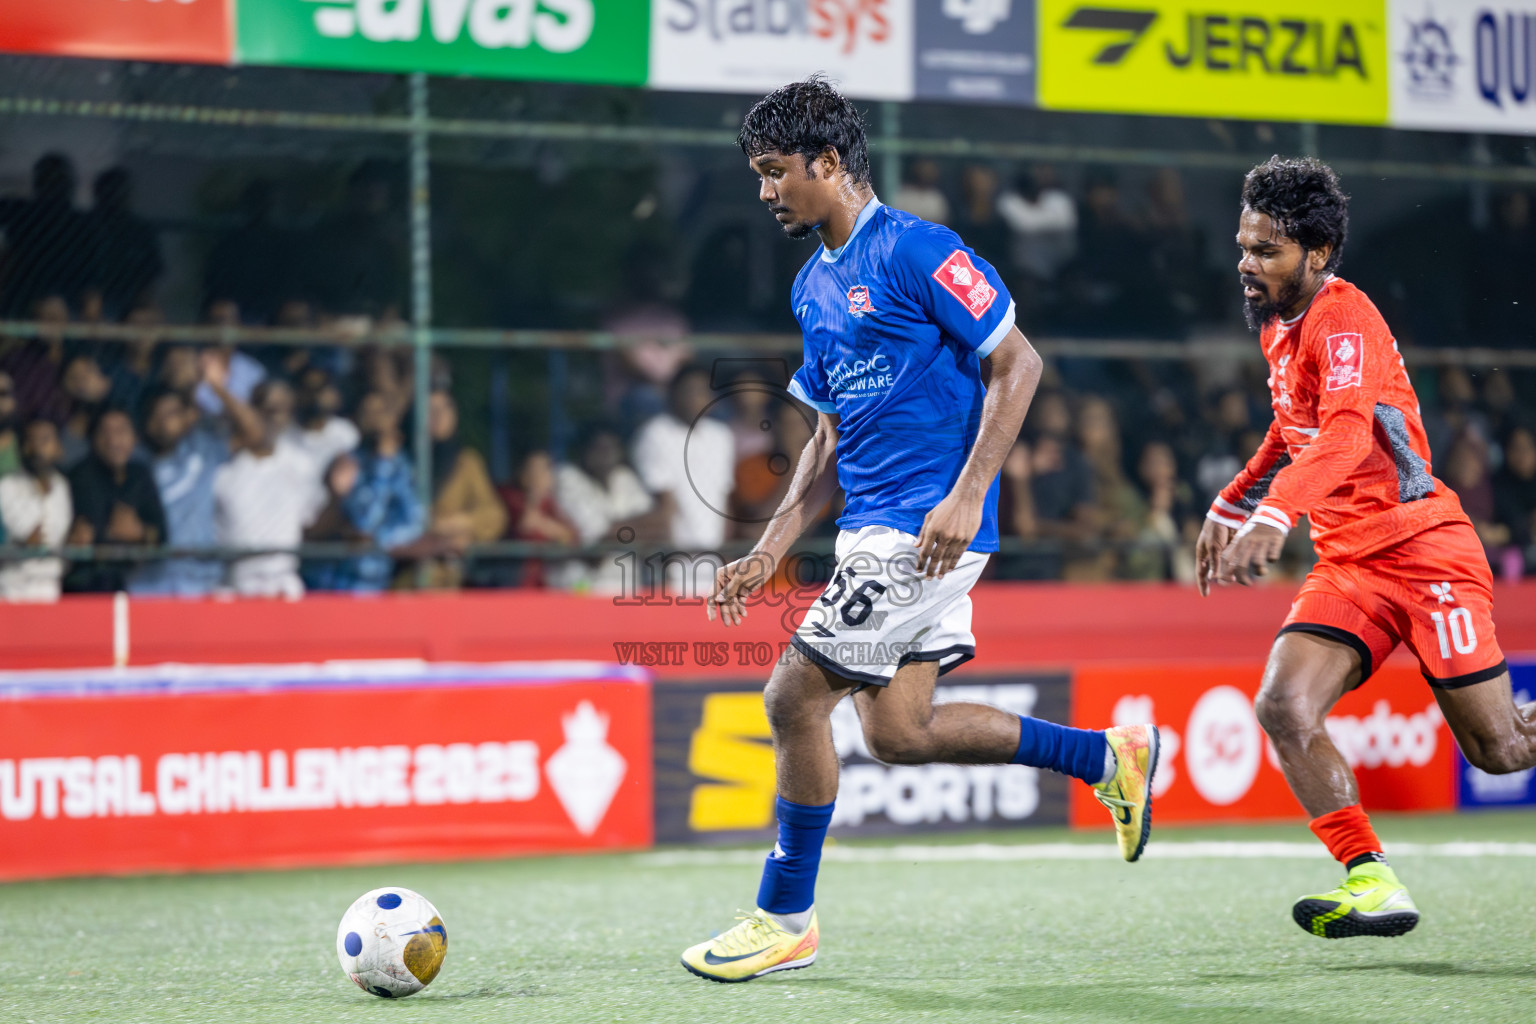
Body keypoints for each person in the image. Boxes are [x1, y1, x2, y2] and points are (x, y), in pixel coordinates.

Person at [679, 78, 1158, 984]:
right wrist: (768, 548)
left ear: (828, 163)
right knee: (900, 732)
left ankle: (785, 916)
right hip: (873, 528)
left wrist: (971, 493)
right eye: (757, 175)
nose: (765, 191)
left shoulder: (920, 250)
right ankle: (1109, 758)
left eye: (775, 172)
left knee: (790, 697)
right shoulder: (812, 285)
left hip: (925, 528)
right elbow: (826, 435)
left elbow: (1020, 363)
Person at [1196, 156, 1530, 941]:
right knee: (1282, 705)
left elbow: (1346, 431)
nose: (1247, 264)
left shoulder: (1343, 318)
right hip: (1351, 564)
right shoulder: (1281, 324)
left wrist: (1274, 517)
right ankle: (1370, 880)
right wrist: (1233, 497)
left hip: (1424, 551)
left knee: (1501, 750)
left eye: (1266, 251)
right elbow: (1294, 427)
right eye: (1243, 246)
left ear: (1316, 254)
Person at [302, 390, 423, 591]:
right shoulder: (345, 462)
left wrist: (379, 539)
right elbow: (364, 519)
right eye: (368, 411)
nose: (375, 418)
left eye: (380, 411)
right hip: (338, 583)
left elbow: (414, 521)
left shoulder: (401, 466)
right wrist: (381, 464)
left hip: (379, 584)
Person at [212, 380, 319, 598]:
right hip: (234, 588)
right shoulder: (222, 468)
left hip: (284, 588)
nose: (273, 418)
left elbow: (312, 524)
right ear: (251, 411)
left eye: (282, 411)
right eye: (268, 410)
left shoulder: (301, 464)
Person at [65, 409, 166, 592]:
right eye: (104, 433)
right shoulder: (81, 476)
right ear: (93, 439)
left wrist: (141, 533)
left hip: (134, 585)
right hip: (85, 587)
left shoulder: (140, 475)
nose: (112, 441)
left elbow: (162, 536)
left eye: (120, 431)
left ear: (135, 438)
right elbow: (91, 535)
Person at [426, 390, 507, 587]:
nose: (438, 417)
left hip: (449, 581)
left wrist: (463, 523)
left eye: (445, 409)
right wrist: (433, 528)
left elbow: (494, 515)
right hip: (403, 583)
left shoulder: (467, 462)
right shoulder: (404, 461)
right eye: (430, 410)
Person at [0, 419, 72, 601]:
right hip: (13, 587)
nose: (36, 448)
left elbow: (58, 537)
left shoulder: (61, 486)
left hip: (51, 586)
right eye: (30, 440)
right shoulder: (7, 485)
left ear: (58, 447)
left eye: (44, 440)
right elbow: (30, 536)